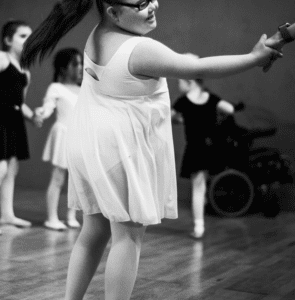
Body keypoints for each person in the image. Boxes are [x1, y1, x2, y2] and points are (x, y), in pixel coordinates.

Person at [20, 0, 284, 299]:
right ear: (114, 12)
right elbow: (197, 68)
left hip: (92, 147)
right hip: (117, 152)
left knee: (93, 231)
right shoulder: (139, 49)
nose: (153, 5)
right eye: (141, 3)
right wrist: (253, 57)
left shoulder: (98, 34)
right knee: (128, 236)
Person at [172, 70, 236, 238]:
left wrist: (183, 119)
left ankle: (199, 227)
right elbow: (229, 109)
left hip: (195, 149)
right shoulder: (210, 98)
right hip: (211, 147)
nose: (179, 85)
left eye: (180, 82)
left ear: (190, 82)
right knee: (203, 185)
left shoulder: (183, 102)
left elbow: (168, 117)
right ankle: (200, 220)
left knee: (198, 189)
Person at [0, 20, 42, 236]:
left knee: (11, 169)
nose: (28, 40)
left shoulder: (25, 71)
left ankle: (7, 215)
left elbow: (19, 103)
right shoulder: (0, 58)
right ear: (7, 40)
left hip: (14, 120)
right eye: (23, 36)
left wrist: (33, 116)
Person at [35, 48, 83, 231]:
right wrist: (42, 112)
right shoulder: (56, 88)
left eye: (81, 64)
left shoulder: (84, 90)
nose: (80, 68)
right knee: (58, 178)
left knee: (77, 181)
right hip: (63, 135)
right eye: (75, 64)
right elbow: (48, 106)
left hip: (80, 138)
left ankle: (71, 216)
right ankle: (52, 218)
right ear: (63, 68)